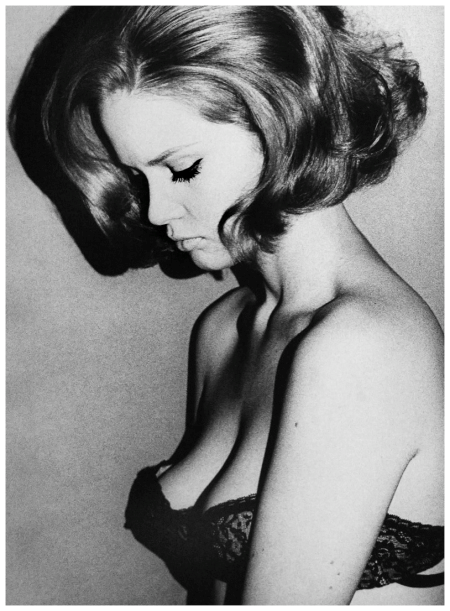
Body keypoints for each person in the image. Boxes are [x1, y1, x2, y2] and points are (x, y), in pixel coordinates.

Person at [12, 6, 443, 605]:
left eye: (182, 168)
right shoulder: (223, 326)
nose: (156, 211)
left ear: (280, 121)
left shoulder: (362, 347)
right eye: (138, 178)